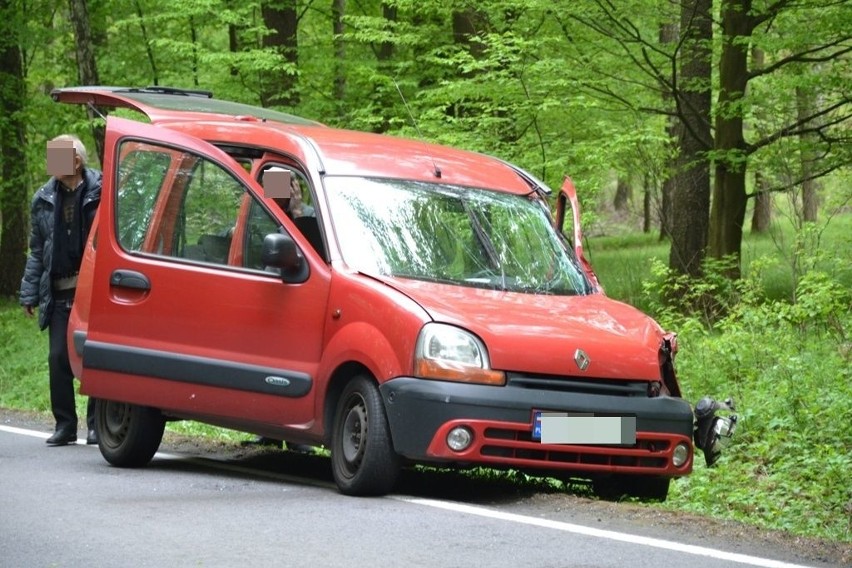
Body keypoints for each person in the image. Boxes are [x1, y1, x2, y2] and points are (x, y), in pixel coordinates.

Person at [20, 134, 102, 446]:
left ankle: (96, 425)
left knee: (93, 356)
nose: (48, 163)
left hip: (92, 290)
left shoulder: (101, 191)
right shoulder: (42, 199)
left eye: (55, 156)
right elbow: (37, 251)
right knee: (58, 358)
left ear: (76, 161)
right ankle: (65, 424)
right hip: (58, 289)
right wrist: (28, 293)